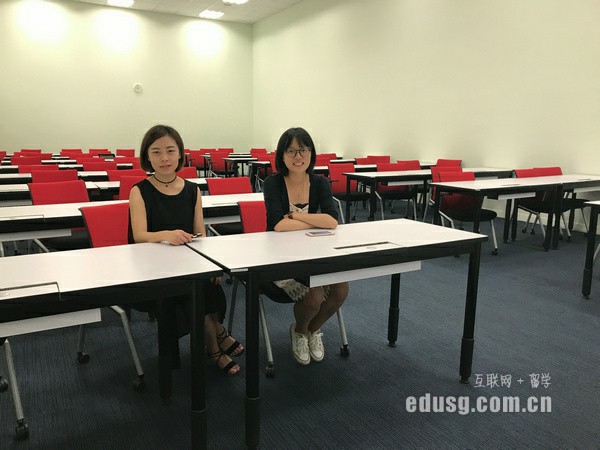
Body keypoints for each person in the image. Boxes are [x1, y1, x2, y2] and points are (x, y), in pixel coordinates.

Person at [129, 124, 243, 376]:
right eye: (156, 152)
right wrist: (167, 235)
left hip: (188, 262)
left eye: (170, 150)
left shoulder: (192, 190)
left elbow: (200, 234)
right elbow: (139, 236)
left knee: (209, 286)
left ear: (180, 153)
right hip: (154, 269)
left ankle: (217, 338)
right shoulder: (139, 191)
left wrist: (211, 265)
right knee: (194, 295)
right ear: (147, 156)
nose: (164, 158)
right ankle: (215, 347)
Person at [262, 127, 349, 366]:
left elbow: (332, 221)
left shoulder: (320, 183)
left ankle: (312, 329)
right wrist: (313, 220)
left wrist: (295, 216)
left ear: (311, 153)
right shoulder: (272, 183)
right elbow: (278, 225)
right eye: (291, 151)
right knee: (314, 296)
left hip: (314, 253)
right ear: (281, 155)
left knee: (341, 290)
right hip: (279, 258)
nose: (298, 156)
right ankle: (300, 331)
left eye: (303, 150)